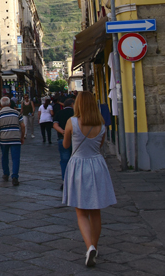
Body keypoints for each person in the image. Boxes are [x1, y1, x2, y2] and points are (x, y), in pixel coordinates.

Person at [63, 91, 117, 268]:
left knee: (81, 212)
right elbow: (99, 146)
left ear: (78, 104)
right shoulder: (101, 124)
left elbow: (66, 145)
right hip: (97, 165)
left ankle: (89, 246)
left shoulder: (72, 122)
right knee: (96, 211)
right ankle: (95, 246)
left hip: (78, 165)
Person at [0, 96, 25, 186]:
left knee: (4, 157)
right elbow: (23, 126)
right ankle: (15, 176)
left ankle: (6, 174)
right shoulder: (16, 113)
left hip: (4, 139)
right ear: (10, 103)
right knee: (16, 158)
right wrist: (22, 137)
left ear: (1, 104)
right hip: (15, 138)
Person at [53, 98, 75, 190]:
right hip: (75, 139)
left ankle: (65, 181)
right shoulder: (75, 113)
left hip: (62, 138)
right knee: (75, 160)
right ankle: (75, 180)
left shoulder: (59, 113)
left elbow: (55, 125)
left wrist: (63, 132)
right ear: (72, 104)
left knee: (64, 160)